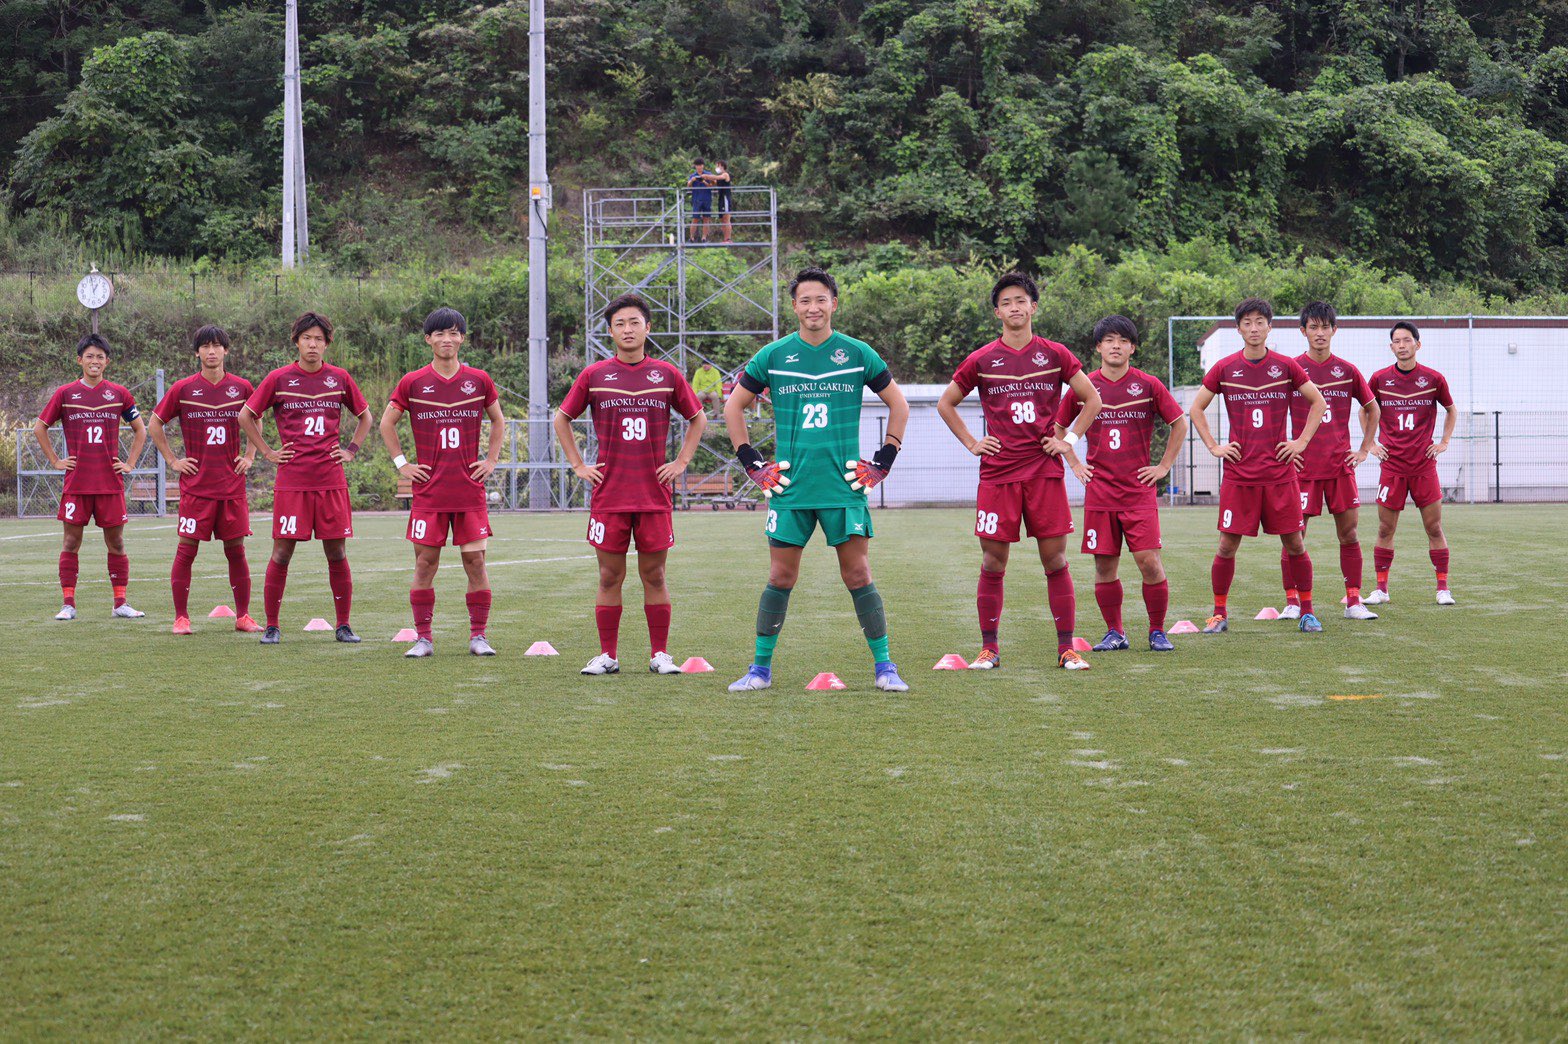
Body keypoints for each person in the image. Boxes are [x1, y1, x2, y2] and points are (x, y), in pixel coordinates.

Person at [723, 266, 911, 693]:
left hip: (843, 487)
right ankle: (759, 670)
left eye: (821, 299)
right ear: (794, 307)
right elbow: (734, 407)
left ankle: (885, 668)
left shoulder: (857, 353)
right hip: (790, 489)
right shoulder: (773, 356)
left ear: (834, 304)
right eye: (805, 300)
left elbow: (898, 404)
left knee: (858, 574)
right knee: (779, 577)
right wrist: (752, 462)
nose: (813, 307)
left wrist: (884, 460)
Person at [936, 271, 1102, 670]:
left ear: (1033, 307)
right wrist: (972, 443)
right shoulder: (981, 359)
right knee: (993, 562)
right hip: (998, 474)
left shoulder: (1055, 354)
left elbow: (1092, 399)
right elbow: (946, 403)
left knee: (1055, 560)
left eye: (1021, 301)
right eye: (1006, 302)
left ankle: (1066, 649)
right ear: (998, 312)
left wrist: (1068, 441)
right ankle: (989, 649)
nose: (1014, 307)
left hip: (1044, 472)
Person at [555, 293, 708, 675]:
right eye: (620, 323)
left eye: (634, 322)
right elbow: (562, 419)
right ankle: (607, 656)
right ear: (610, 331)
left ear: (647, 328)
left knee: (654, 575)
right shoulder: (594, 376)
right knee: (610, 576)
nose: (627, 329)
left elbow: (698, 418)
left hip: (654, 495)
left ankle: (660, 655)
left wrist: (681, 462)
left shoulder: (667, 374)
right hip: (609, 496)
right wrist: (578, 465)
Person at [1189, 297, 1328, 633]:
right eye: (1247, 322)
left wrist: (1300, 443)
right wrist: (1214, 446)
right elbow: (1195, 409)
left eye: (1259, 322)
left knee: (1295, 544)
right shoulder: (1224, 368)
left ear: (1269, 326)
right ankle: (1219, 614)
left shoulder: (1286, 366)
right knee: (1226, 546)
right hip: (1239, 476)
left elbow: (1319, 402)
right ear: (1238, 329)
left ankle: (1307, 612)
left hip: (1280, 475)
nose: (1254, 328)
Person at [238, 312, 372, 645]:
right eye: (306, 338)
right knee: (282, 553)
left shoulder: (339, 378)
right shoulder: (279, 378)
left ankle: (344, 625)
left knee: (336, 553)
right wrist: (267, 452)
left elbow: (366, 417)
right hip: (293, 482)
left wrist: (351, 449)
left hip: (330, 480)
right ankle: (272, 626)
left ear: (327, 344)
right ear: (296, 342)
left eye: (319, 339)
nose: (312, 345)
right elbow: (246, 416)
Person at [379, 307, 506, 658]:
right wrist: (403, 464)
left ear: (462, 338)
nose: (446, 339)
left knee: (476, 564)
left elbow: (498, 420)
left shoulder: (478, 380)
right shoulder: (413, 382)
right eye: (439, 333)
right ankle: (423, 639)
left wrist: (491, 460)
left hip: (468, 491)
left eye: (453, 333)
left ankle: (479, 636)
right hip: (429, 493)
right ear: (428, 339)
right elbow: (386, 423)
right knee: (425, 565)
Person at [1056, 315, 1188, 652]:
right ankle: (1115, 632)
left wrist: (1163, 466)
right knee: (1104, 565)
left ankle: (1157, 631)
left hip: (1137, 491)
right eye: (1109, 340)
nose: (1116, 346)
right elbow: (1058, 428)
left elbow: (1179, 424)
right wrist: (1074, 462)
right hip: (1100, 491)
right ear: (1098, 347)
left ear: (1133, 348)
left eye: (1123, 341)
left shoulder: (1148, 385)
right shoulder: (1084, 387)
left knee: (1149, 561)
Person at [148, 325, 261, 635]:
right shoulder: (183, 389)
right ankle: (181, 618)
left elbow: (256, 419)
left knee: (236, 551)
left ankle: (243, 616)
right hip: (196, 488)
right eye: (205, 346)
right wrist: (173, 460)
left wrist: (250, 455)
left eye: (217, 346)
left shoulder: (242, 387)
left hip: (231, 485)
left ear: (226, 350)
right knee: (186, 550)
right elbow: (155, 423)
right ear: (197, 352)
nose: (211, 351)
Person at [33, 333, 148, 620]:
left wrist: (130, 463)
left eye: (100, 357)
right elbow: (39, 427)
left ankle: (120, 604)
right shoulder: (65, 394)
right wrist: (56, 460)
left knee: (116, 543)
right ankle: (68, 605)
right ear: (79, 360)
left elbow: (141, 430)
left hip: (110, 484)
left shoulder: (119, 394)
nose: (94, 361)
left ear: (107, 362)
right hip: (77, 483)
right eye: (89, 356)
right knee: (71, 543)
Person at [1282, 302, 1381, 621]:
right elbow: (1273, 412)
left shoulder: (1347, 371)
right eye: (1313, 327)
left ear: (1334, 330)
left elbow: (1373, 409)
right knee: (1294, 537)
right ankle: (1293, 603)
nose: (1320, 333)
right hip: (1302, 470)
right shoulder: (1291, 369)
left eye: (1325, 327)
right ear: (1303, 331)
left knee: (1349, 535)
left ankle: (1353, 602)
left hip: (1340, 467)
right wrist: (1287, 448)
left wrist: (1364, 449)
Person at [1368, 321, 1458, 605]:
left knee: (1434, 528)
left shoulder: (1433, 379)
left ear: (1418, 344)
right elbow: (1365, 410)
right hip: (1392, 467)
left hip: (1423, 467)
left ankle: (1443, 588)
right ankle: (1381, 590)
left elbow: (1451, 410)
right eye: (1397, 341)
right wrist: (1370, 443)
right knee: (1385, 529)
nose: (1402, 345)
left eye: (1407, 340)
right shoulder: (1379, 379)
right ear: (1391, 347)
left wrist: (1444, 442)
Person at [686, 159, 713, 243]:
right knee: (695, 218)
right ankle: (691, 238)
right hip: (696, 199)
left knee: (706, 218)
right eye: (697, 165)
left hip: (707, 199)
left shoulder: (708, 174)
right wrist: (692, 180)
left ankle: (704, 238)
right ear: (695, 166)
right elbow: (688, 185)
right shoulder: (693, 175)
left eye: (700, 165)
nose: (699, 167)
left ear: (703, 165)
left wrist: (704, 180)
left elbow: (712, 185)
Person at [711, 161, 733, 243]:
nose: (716, 167)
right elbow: (714, 182)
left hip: (725, 198)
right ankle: (725, 239)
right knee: (722, 220)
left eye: (718, 166)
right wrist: (704, 180)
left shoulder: (725, 175)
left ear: (722, 166)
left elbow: (717, 178)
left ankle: (728, 239)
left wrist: (707, 176)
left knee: (727, 219)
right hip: (720, 199)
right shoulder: (719, 177)